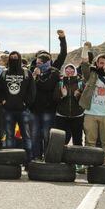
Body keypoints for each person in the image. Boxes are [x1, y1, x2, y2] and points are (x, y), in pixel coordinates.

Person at [30, 30, 67, 160]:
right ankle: (35, 158)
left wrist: (62, 39)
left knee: (47, 135)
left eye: (45, 59)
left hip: (48, 109)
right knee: (35, 135)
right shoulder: (31, 71)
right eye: (39, 59)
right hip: (34, 109)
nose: (41, 62)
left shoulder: (54, 70)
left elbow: (63, 55)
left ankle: (48, 157)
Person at [0, 51, 36, 167]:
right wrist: (3, 101)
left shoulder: (26, 73)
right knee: (9, 136)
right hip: (8, 110)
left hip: (23, 110)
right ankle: (10, 160)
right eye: (11, 57)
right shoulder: (4, 73)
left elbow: (32, 91)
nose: (13, 59)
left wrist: (26, 103)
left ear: (19, 58)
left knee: (26, 136)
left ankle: (29, 161)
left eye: (16, 57)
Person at [54, 64, 84, 146]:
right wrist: (62, 96)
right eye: (67, 70)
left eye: (71, 70)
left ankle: (77, 158)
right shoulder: (60, 83)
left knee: (77, 140)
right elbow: (55, 99)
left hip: (77, 116)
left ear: (75, 71)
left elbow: (84, 101)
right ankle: (61, 157)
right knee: (62, 140)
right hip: (62, 116)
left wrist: (78, 96)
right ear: (64, 71)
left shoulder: (80, 83)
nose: (69, 72)